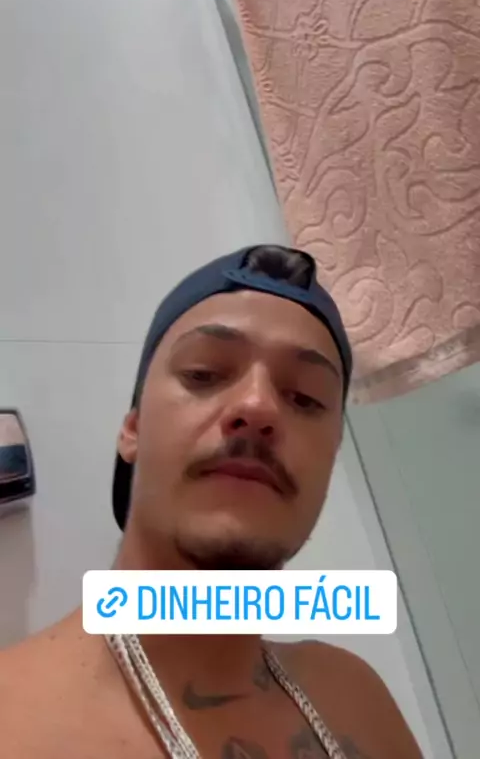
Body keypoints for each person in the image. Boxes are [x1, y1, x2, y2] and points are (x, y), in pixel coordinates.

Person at [0, 245, 423, 758]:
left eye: (305, 398)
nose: (258, 406)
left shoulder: (356, 697)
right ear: (133, 428)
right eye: (203, 373)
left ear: (332, 454)